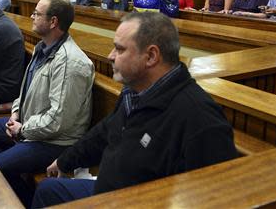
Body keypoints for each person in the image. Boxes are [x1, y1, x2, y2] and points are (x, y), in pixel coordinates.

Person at [31, 11, 237, 208]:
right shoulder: (134, 92)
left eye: (119, 49)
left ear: (151, 56)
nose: (110, 56)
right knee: (48, 190)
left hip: (135, 202)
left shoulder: (200, 119)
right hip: (108, 191)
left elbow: (210, 199)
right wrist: (66, 160)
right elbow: (105, 132)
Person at [0, 0, 94, 207]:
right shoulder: (43, 47)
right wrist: (15, 113)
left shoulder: (70, 63)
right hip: (31, 124)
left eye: (37, 13)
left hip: (57, 141)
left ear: (53, 21)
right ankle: (18, 182)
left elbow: (58, 121)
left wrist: (21, 130)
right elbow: (26, 90)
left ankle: (25, 201)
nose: (31, 16)